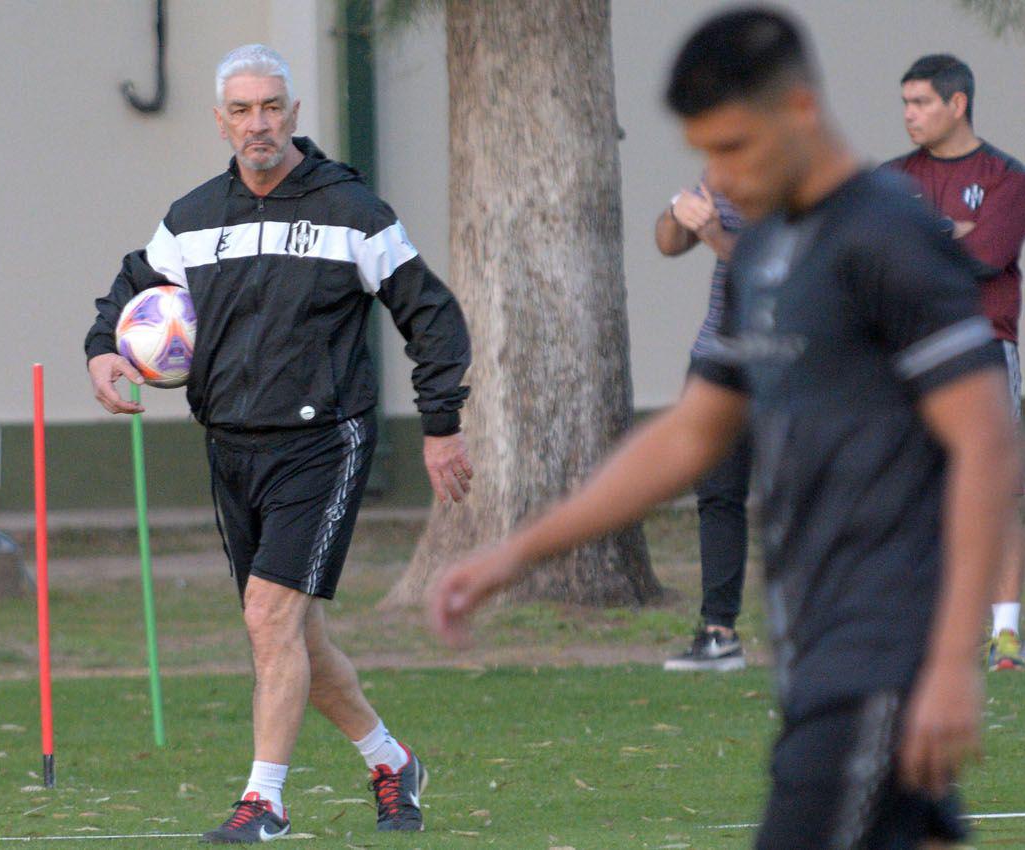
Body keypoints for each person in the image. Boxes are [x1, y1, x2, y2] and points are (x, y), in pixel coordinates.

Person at [428, 9, 1015, 848]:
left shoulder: (892, 236)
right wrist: (514, 551)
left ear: (801, 112)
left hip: (883, 658)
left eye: (736, 146)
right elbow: (691, 435)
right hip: (816, 652)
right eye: (705, 151)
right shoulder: (767, 249)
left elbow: (986, 444)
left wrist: (958, 663)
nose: (719, 176)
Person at [85, 44, 472, 844]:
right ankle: (391, 760)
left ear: (294, 115)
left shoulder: (352, 211)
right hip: (230, 443)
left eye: (271, 107)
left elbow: (431, 315)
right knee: (291, 633)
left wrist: (440, 426)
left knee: (269, 616)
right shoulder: (192, 220)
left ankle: (265, 802)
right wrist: (103, 349)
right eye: (241, 109)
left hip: (323, 440)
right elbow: (131, 285)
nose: (257, 124)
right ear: (221, 120)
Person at [883, 54, 1025, 672]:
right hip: (909, 350)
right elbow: (881, 263)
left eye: (921, 103)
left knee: (995, 488)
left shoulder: (1005, 176)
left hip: (984, 346)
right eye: (906, 103)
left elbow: (986, 258)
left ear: (958, 104)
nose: (909, 114)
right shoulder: (890, 178)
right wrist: (950, 232)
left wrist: (926, 239)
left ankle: (1007, 635)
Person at [654, 182, 749, 671]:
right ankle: (719, 633)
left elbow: (771, 269)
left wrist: (714, 234)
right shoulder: (722, 174)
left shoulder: (798, 182)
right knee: (717, 494)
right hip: (716, 359)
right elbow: (668, 244)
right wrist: (677, 210)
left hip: (786, 360)